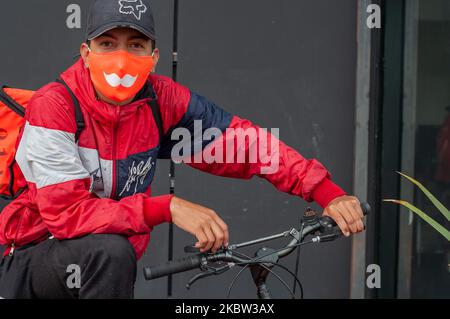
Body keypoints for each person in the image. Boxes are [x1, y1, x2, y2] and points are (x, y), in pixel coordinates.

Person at [0, 0, 364, 299]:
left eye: (136, 45)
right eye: (107, 43)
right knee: (109, 249)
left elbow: (244, 144)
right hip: (32, 260)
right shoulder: (56, 105)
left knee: (112, 251)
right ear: (86, 52)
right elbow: (67, 215)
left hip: (106, 271)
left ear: (154, 56)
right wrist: (167, 207)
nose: (121, 57)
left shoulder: (161, 102)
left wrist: (325, 192)